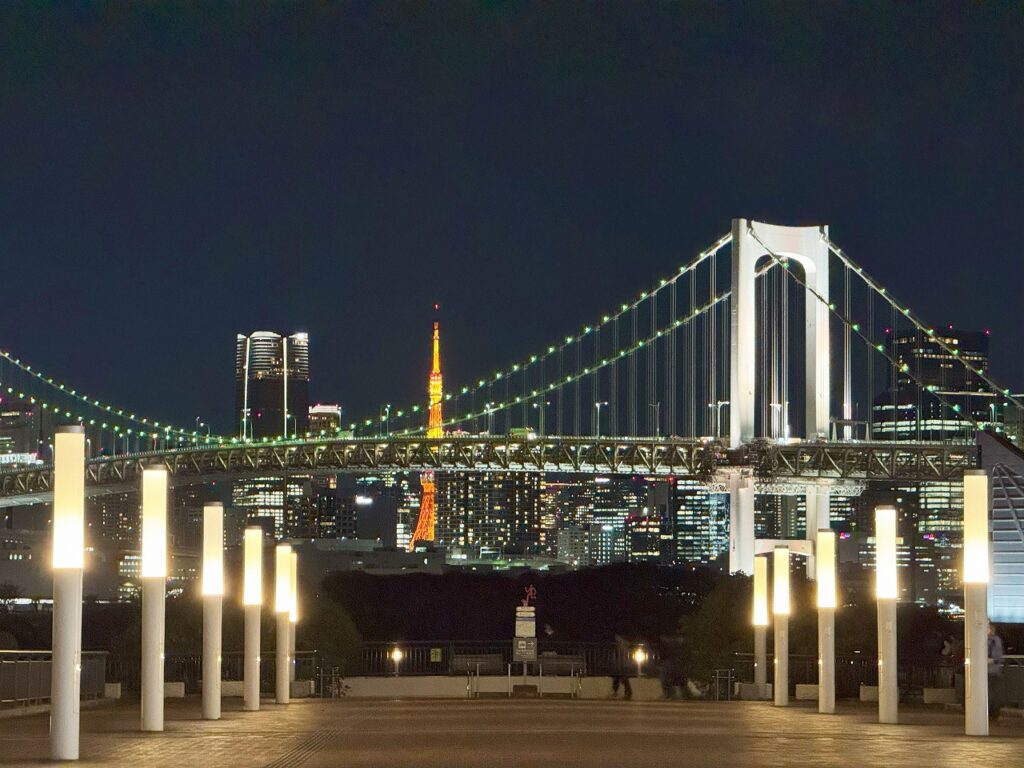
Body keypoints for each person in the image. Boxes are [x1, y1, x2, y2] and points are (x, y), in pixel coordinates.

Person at [988, 624, 1004, 718]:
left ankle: (993, 711)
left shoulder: (994, 641)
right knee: (993, 691)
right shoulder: (996, 640)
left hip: (992, 670)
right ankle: (993, 711)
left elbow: (997, 656)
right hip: (994, 670)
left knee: (992, 692)